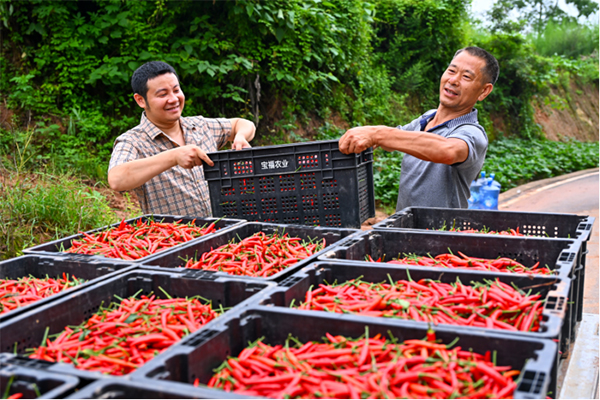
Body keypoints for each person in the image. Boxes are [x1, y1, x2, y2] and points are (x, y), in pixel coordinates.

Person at [339, 46, 499, 211]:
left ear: (484, 91)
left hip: (441, 233)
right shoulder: (426, 118)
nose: (453, 80)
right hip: (405, 229)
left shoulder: (473, 132)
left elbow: (448, 150)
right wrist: (369, 138)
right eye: (451, 71)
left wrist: (378, 134)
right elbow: (396, 138)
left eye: (466, 76)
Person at [108, 61, 256, 216]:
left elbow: (244, 124)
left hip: (223, 230)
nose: (173, 99)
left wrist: (240, 136)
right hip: (176, 237)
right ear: (140, 100)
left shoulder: (200, 126)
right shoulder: (133, 141)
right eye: (162, 94)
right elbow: (117, 179)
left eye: (176, 90)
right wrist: (174, 156)